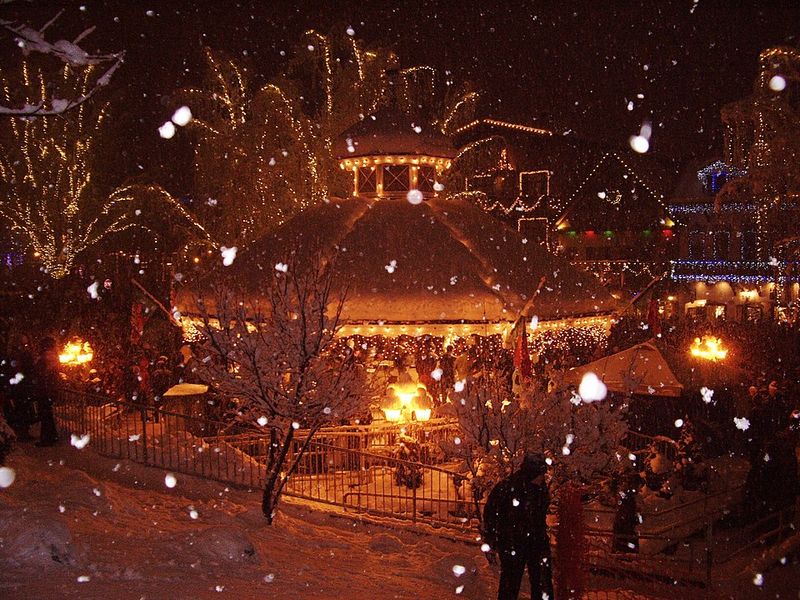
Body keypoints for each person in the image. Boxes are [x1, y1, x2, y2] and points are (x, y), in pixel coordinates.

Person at [482, 453, 554, 600]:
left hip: (533, 541)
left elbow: (538, 515)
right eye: (541, 473)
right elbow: (491, 514)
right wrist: (494, 538)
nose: (543, 477)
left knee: (541, 583)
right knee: (511, 583)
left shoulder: (538, 488)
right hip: (513, 542)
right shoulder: (508, 488)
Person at [33, 337, 61, 447]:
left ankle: (47, 438)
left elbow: (43, 373)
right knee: (47, 414)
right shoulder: (51, 357)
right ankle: (52, 436)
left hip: (45, 391)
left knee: (45, 415)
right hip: (47, 390)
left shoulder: (47, 358)